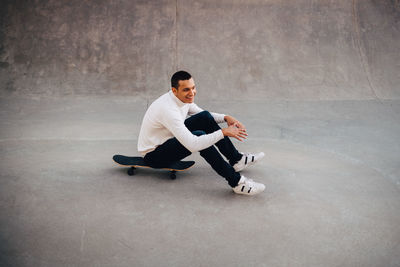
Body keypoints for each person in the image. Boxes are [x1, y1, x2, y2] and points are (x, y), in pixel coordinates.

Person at [137, 70, 265, 195]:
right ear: (174, 91)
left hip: (168, 140)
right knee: (199, 136)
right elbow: (193, 144)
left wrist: (226, 117)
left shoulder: (181, 99)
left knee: (204, 117)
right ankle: (237, 183)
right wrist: (223, 132)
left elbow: (202, 115)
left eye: (193, 88)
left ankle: (237, 159)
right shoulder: (168, 110)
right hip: (155, 155)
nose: (191, 93)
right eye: (186, 90)